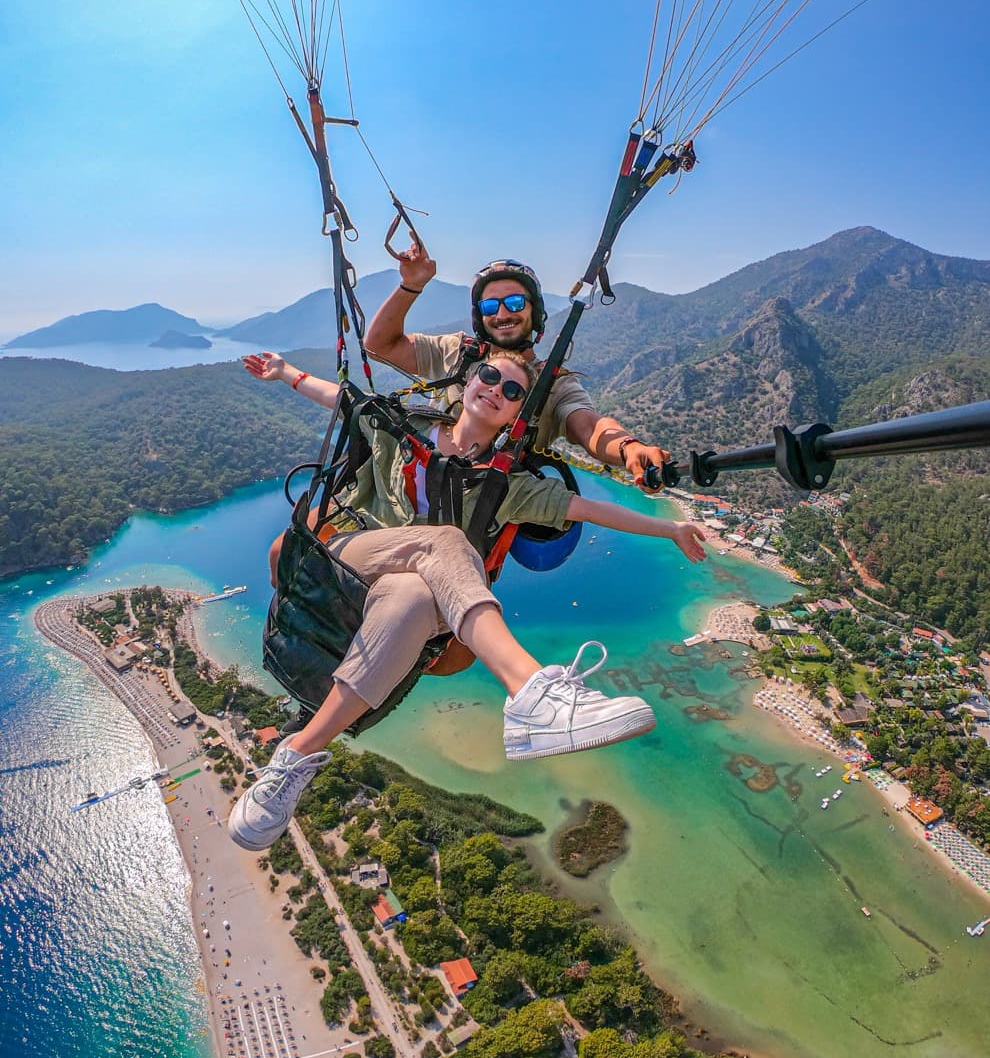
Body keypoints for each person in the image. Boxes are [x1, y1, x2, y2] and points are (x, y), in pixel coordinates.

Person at [230, 349, 706, 851]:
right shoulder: (403, 423)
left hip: (400, 594)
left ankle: (295, 758)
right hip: (349, 559)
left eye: (512, 391)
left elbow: (592, 508)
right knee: (447, 542)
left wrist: (670, 527)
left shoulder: (507, 483)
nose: (496, 389)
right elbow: (344, 400)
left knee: (416, 595)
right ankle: (529, 691)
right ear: (468, 381)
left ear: (517, 413)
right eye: (489, 376)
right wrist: (287, 374)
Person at [364, 246, 672, 487]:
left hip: (477, 517)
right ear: (479, 317)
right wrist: (411, 286)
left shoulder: (553, 386)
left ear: (534, 310)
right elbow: (379, 346)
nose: (502, 314)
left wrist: (629, 448)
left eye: (514, 303)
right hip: (411, 488)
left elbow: (590, 427)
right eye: (489, 306)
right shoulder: (457, 352)